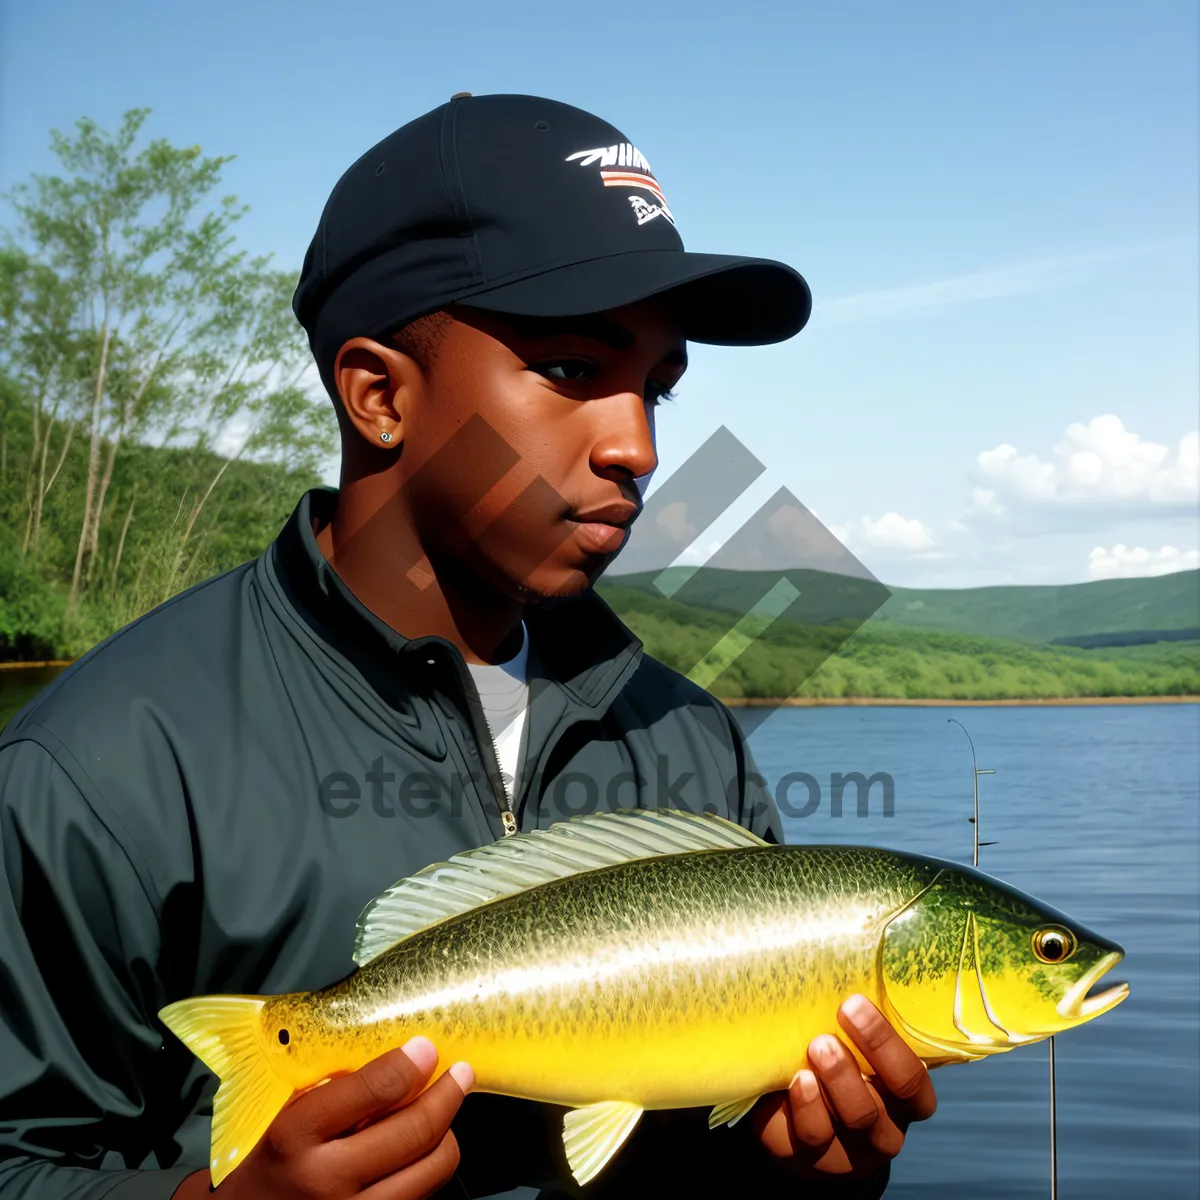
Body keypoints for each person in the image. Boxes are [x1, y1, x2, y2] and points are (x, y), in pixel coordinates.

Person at [0, 94, 936, 1199]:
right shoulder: (101, 769)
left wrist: (820, 1172)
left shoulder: (690, 741)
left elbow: (732, 1144)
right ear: (379, 394)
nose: (636, 446)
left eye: (659, 389)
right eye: (574, 371)